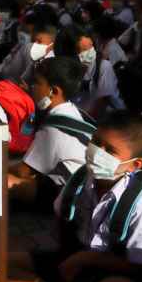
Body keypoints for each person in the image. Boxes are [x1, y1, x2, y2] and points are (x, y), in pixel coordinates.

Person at [9, 112, 142, 282]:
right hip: (73, 261)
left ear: (134, 165)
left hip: (115, 275)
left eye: (110, 151)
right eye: (96, 142)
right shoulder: (81, 177)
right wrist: (71, 260)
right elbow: (62, 219)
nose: (97, 152)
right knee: (4, 263)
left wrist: (86, 259)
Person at [8, 57, 88, 208]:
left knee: (7, 182)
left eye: (37, 83)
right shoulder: (70, 111)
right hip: (69, 182)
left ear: (54, 91)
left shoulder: (54, 128)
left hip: (68, 193)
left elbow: (23, 171)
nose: (32, 87)